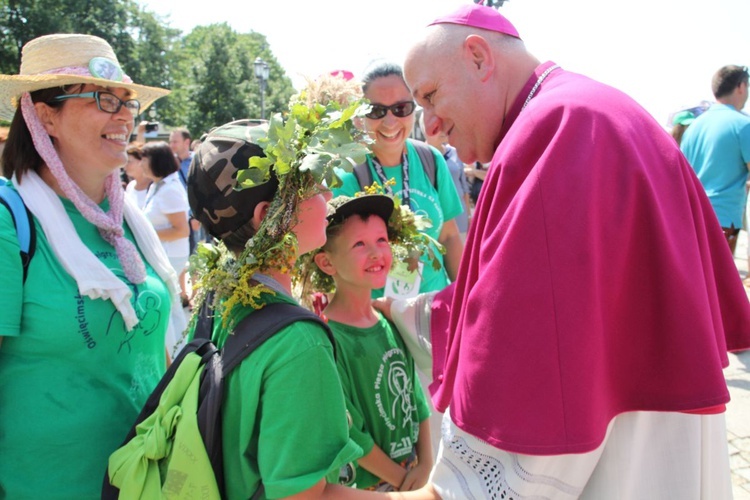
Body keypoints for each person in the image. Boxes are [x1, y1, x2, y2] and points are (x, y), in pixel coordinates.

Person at [378, 4, 750, 498]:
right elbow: (503, 293)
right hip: (645, 421)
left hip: (616, 449)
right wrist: (399, 312)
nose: (430, 125)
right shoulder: (583, 108)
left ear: (478, 57)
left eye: (429, 95)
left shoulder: (558, 127)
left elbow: (531, 333)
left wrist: (451, 486)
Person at [0, 33, 178, 498]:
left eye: (127, 101)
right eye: (103, 98)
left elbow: (150, 345)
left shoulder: (128, 222)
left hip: (146, 484)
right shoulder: (7, 220)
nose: (124, 115)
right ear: (44, 116)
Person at [307, 194, 433, 491]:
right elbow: (351, 431)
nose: (376, 253)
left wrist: (426, 463)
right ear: (326, 262)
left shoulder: (390, 320)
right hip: (369, 489)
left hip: (412, 479)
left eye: (381, 240)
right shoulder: (327, 339)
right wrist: (403, 482)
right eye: (359, 245)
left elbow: (415, 398)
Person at [333, 61, 464, 299]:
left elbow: (448, 235)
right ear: (360, 116)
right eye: (376, 111)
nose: (390, 121)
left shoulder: (431, 160)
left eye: (401, 108)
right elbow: (335, 262)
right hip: (380, 318)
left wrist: (465, 298)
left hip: (435, 309)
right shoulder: (347, 175)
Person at [680, 65, 750, 255]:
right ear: (741, 86)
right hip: (724, 219)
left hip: (691, 216)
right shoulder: (744, 125)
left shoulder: (694, 126)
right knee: (719, 283)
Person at [419, 112, 471, 241]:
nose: (441, 131)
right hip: (432, 217)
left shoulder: (454, 152)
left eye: (442, 125)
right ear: (424, 128)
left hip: (459, 216)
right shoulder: (418, 155)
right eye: (435, 127)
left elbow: (463, 187)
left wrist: (469, 216)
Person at [123, 141, 150, 208]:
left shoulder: (155, 186)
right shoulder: (130, 186)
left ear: (141, 161)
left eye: (129, 161)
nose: (124, 165)